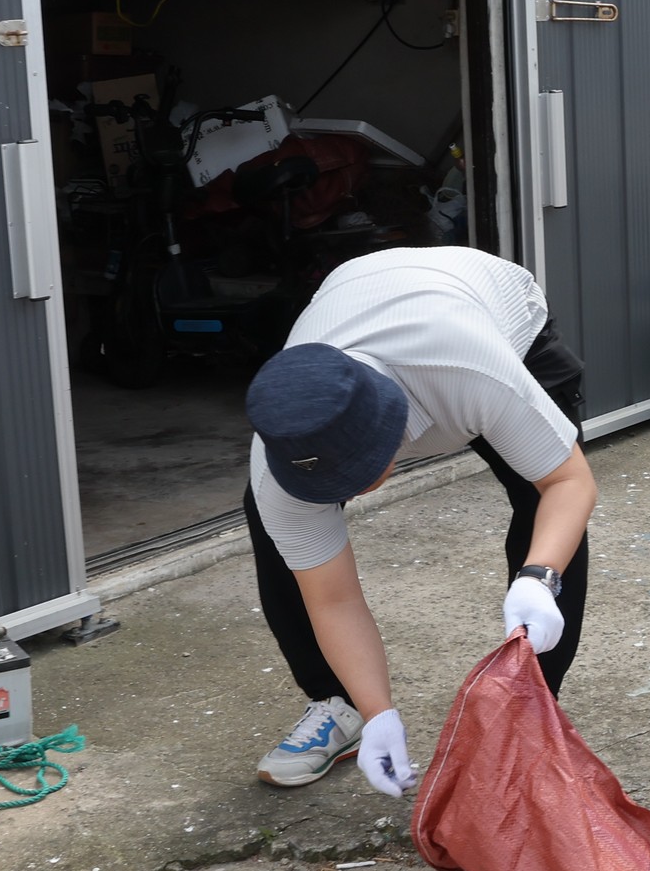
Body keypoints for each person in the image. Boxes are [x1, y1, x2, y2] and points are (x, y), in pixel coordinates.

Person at [242, 246, 595, 795]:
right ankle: (343, 706)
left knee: (541, 510)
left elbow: (569, 484)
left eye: (356, 475)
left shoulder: (472, 374)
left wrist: (540, 576)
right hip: (357, 290)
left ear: (393, 425)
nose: (345, 495)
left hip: (490, 312)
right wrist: (380, 711)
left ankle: (530, 716)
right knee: (272, 527)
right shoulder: (279, 459)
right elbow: (332, 597)